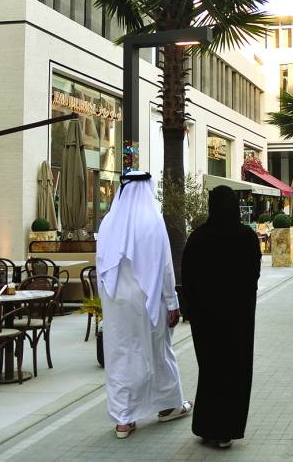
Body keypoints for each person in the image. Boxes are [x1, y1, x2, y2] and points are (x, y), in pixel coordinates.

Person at [95, 171, 191, 439]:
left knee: (121, 356)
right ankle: (169, 406)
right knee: (159, 352)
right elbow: (165, 267)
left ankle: (123, 420)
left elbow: (100, 267)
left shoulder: (108, 223)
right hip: (149, 302)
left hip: (116, 303)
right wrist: (173, 302)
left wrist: (105, 303)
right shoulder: (153, 221)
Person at [182, 185, 261, 449]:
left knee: (211, 370)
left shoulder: (198, 238)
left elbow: (188, 278)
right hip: (238, 317)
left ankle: (207, 426)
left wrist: (190, 310)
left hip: (206, 320)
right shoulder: (247, 237)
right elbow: (254, 275)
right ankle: (227, 430)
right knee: (236, 371)